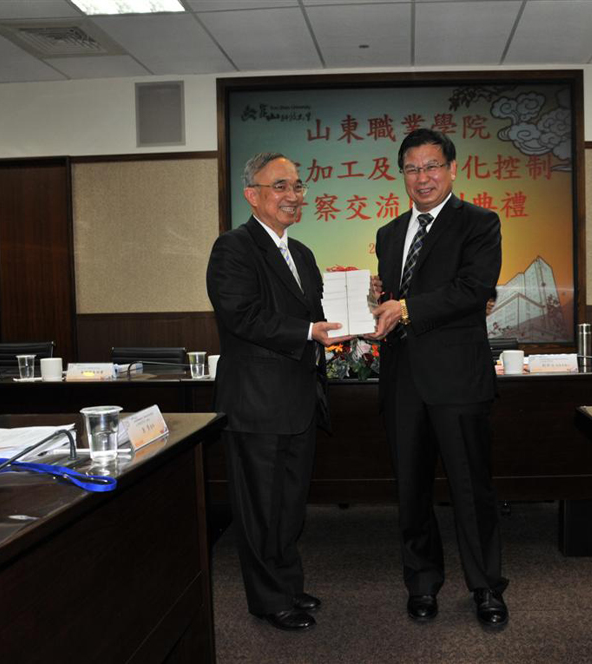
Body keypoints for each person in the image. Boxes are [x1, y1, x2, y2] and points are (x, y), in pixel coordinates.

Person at [370, 129, 507, 626]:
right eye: (412, 168)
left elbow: (473, 289)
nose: (422, 177)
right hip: (402, 378)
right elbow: (396, 300)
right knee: (411, 490)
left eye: (431, 166)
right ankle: (422, 582)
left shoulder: (479, 223)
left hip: (457, 379)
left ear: (452, 169)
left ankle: (486, 587)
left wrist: (405, 307)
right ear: (401, 175)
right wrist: (378, 302)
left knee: (471, 488)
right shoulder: (389, 234)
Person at [206, 152, 348, 632]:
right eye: (280, 186)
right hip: (257, 402)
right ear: (253, 195)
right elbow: (241, 315)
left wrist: (359, 309)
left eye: (298, 186)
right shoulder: (233, 248)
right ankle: (268, 599)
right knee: (260, 509)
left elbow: (316, 316)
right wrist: (308, 331)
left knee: (288, 506)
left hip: (300, 401)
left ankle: (287, 585)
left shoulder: (302, 253)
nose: (293, 196)